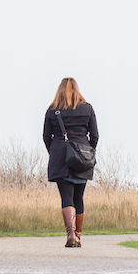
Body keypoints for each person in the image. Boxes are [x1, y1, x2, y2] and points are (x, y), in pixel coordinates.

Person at [43, 78, 99, 248]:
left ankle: (70, 234)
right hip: (82, 156)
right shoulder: (87, 108)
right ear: (77, 90)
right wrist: (89, 153)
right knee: (79, 197)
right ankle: (78, 236)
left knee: (66, 196)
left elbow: (46, 137)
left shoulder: (53, 110)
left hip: (60, 156)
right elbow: (95, 136)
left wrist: (54, 152)